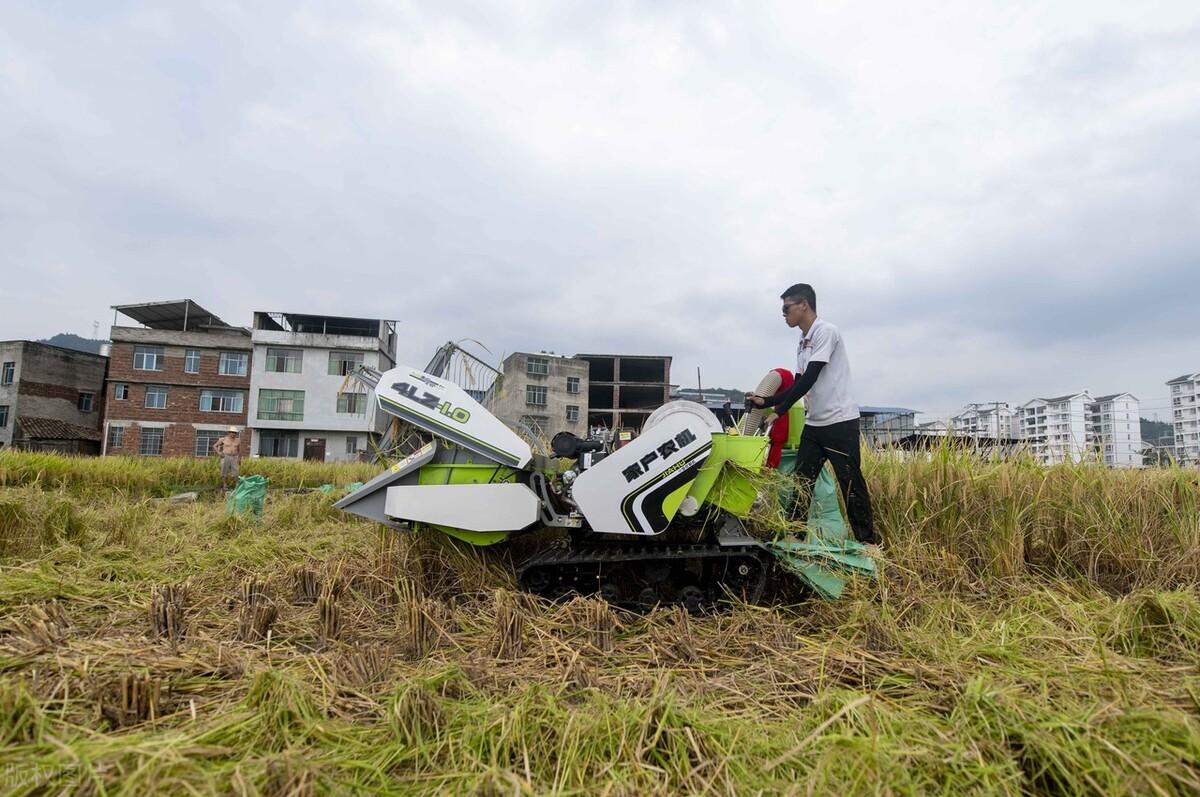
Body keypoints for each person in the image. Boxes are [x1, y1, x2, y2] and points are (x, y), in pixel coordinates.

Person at [746, 283, 878, 546]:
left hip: (840, 422)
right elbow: (797, 385)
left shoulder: (826, 332)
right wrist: (767, 401)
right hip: (815, 424)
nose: (784, 314)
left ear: (803, 304)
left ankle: (869, 543)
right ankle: (796, 536)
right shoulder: (802, 341)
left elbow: (811, 378)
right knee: (801, 481)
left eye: (786, 309)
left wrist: (779, 412)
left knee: (850, 483)